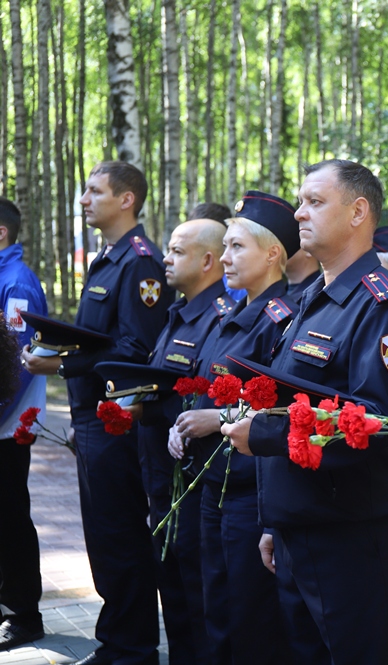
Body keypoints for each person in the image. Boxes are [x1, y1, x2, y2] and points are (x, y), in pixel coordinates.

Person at [221, 160, 388, 665]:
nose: (298, 214)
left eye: (314, 202)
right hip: (303, 527)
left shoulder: (383, 304)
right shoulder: (313, 297)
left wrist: (265, 433)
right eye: (299, 202)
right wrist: (276, 521)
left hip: (352, 537)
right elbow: (300, 397)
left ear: (358, 212)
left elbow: (371, 423)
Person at [21, 161, 171, 665]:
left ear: (126, 199)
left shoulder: (140, 262)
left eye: (94, 191)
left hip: (115, 418)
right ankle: (118, 641)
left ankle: (132, 648)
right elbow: (104, 337)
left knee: (120, 534)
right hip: (91, 417)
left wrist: (61, 363)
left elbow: (135, 349)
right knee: (104, 537)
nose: (84, 199)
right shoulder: (108, 258)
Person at [169, 192, 298, 665]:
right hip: (212, 485)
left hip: (250, 491)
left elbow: (283, 407)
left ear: (271, 254)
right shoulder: (228, 315)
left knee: (251, 620)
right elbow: (205, 387)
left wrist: (217, 420)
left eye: (236, 247)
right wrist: (185, 422)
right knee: (215, 609)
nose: (224, 257)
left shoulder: (283, 319)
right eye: (223, 247)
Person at [129, 218, 233, 665]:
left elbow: (208, 400)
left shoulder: (220, 320)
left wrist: (153, 409)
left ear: (208, 260)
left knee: (197, 594)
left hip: (190, 483)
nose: (165, 259)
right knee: (171, 587)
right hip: (160, 476)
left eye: (176, 251)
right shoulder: (178, 312)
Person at [0, 197, 48, 652]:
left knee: (10, 516)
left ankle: (23, 615)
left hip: (7, 424)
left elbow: (15, 365)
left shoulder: (16, 282)